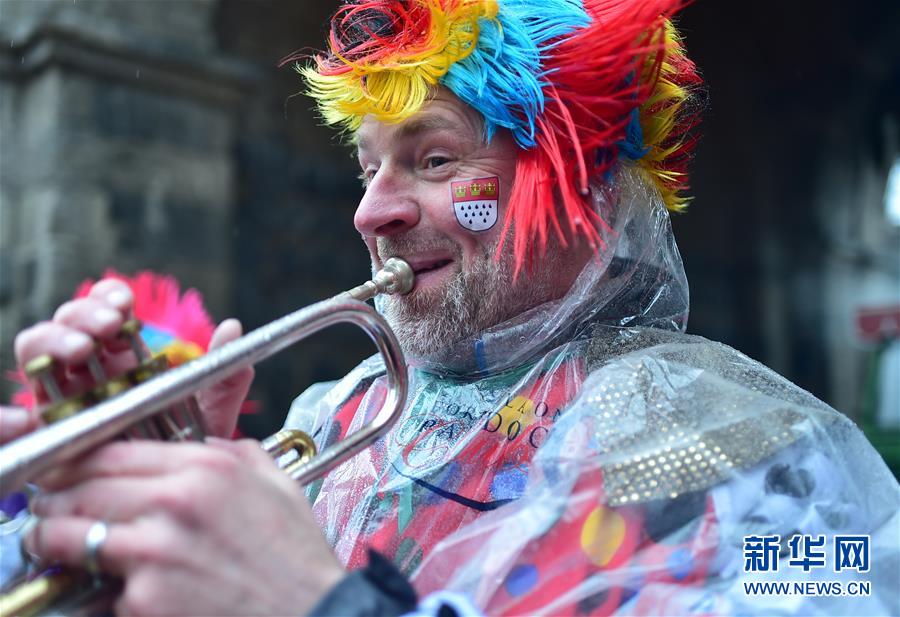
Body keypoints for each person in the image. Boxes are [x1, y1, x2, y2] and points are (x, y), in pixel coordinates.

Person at [3, 0, 899, 615]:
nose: (371, 211)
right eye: (368, 168)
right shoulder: (335, 417)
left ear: (588, 189)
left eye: (433, 160)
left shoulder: (759, 446)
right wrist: (118, 517)